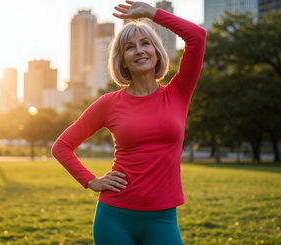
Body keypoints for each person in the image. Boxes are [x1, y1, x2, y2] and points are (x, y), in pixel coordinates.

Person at [51, 1, 206, 244]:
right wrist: (91, 180)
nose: (140, 50)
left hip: (162, 219)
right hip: (114, 218)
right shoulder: (108, 103)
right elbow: (61, 146)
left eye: (146, 43)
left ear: (156, 52)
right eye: (130, 47)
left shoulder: (178, 93)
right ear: (122, 60)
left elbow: (197, 36)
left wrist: (152, 14)